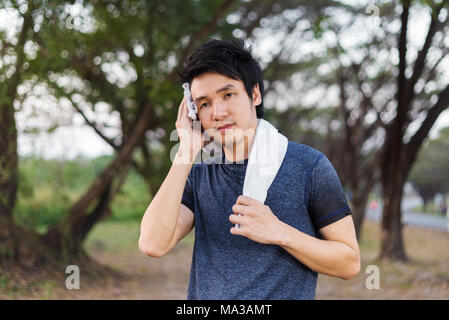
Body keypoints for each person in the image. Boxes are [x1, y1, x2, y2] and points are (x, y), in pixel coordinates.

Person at [138, 38, 360, 299]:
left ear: (254, 94)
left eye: (228, 95)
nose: (217, 112)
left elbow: (349, 263)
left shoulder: (309, 167)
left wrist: (280, 233)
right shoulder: (199, 175)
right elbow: (153, 244)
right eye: (204, 103)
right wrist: (186, 151)